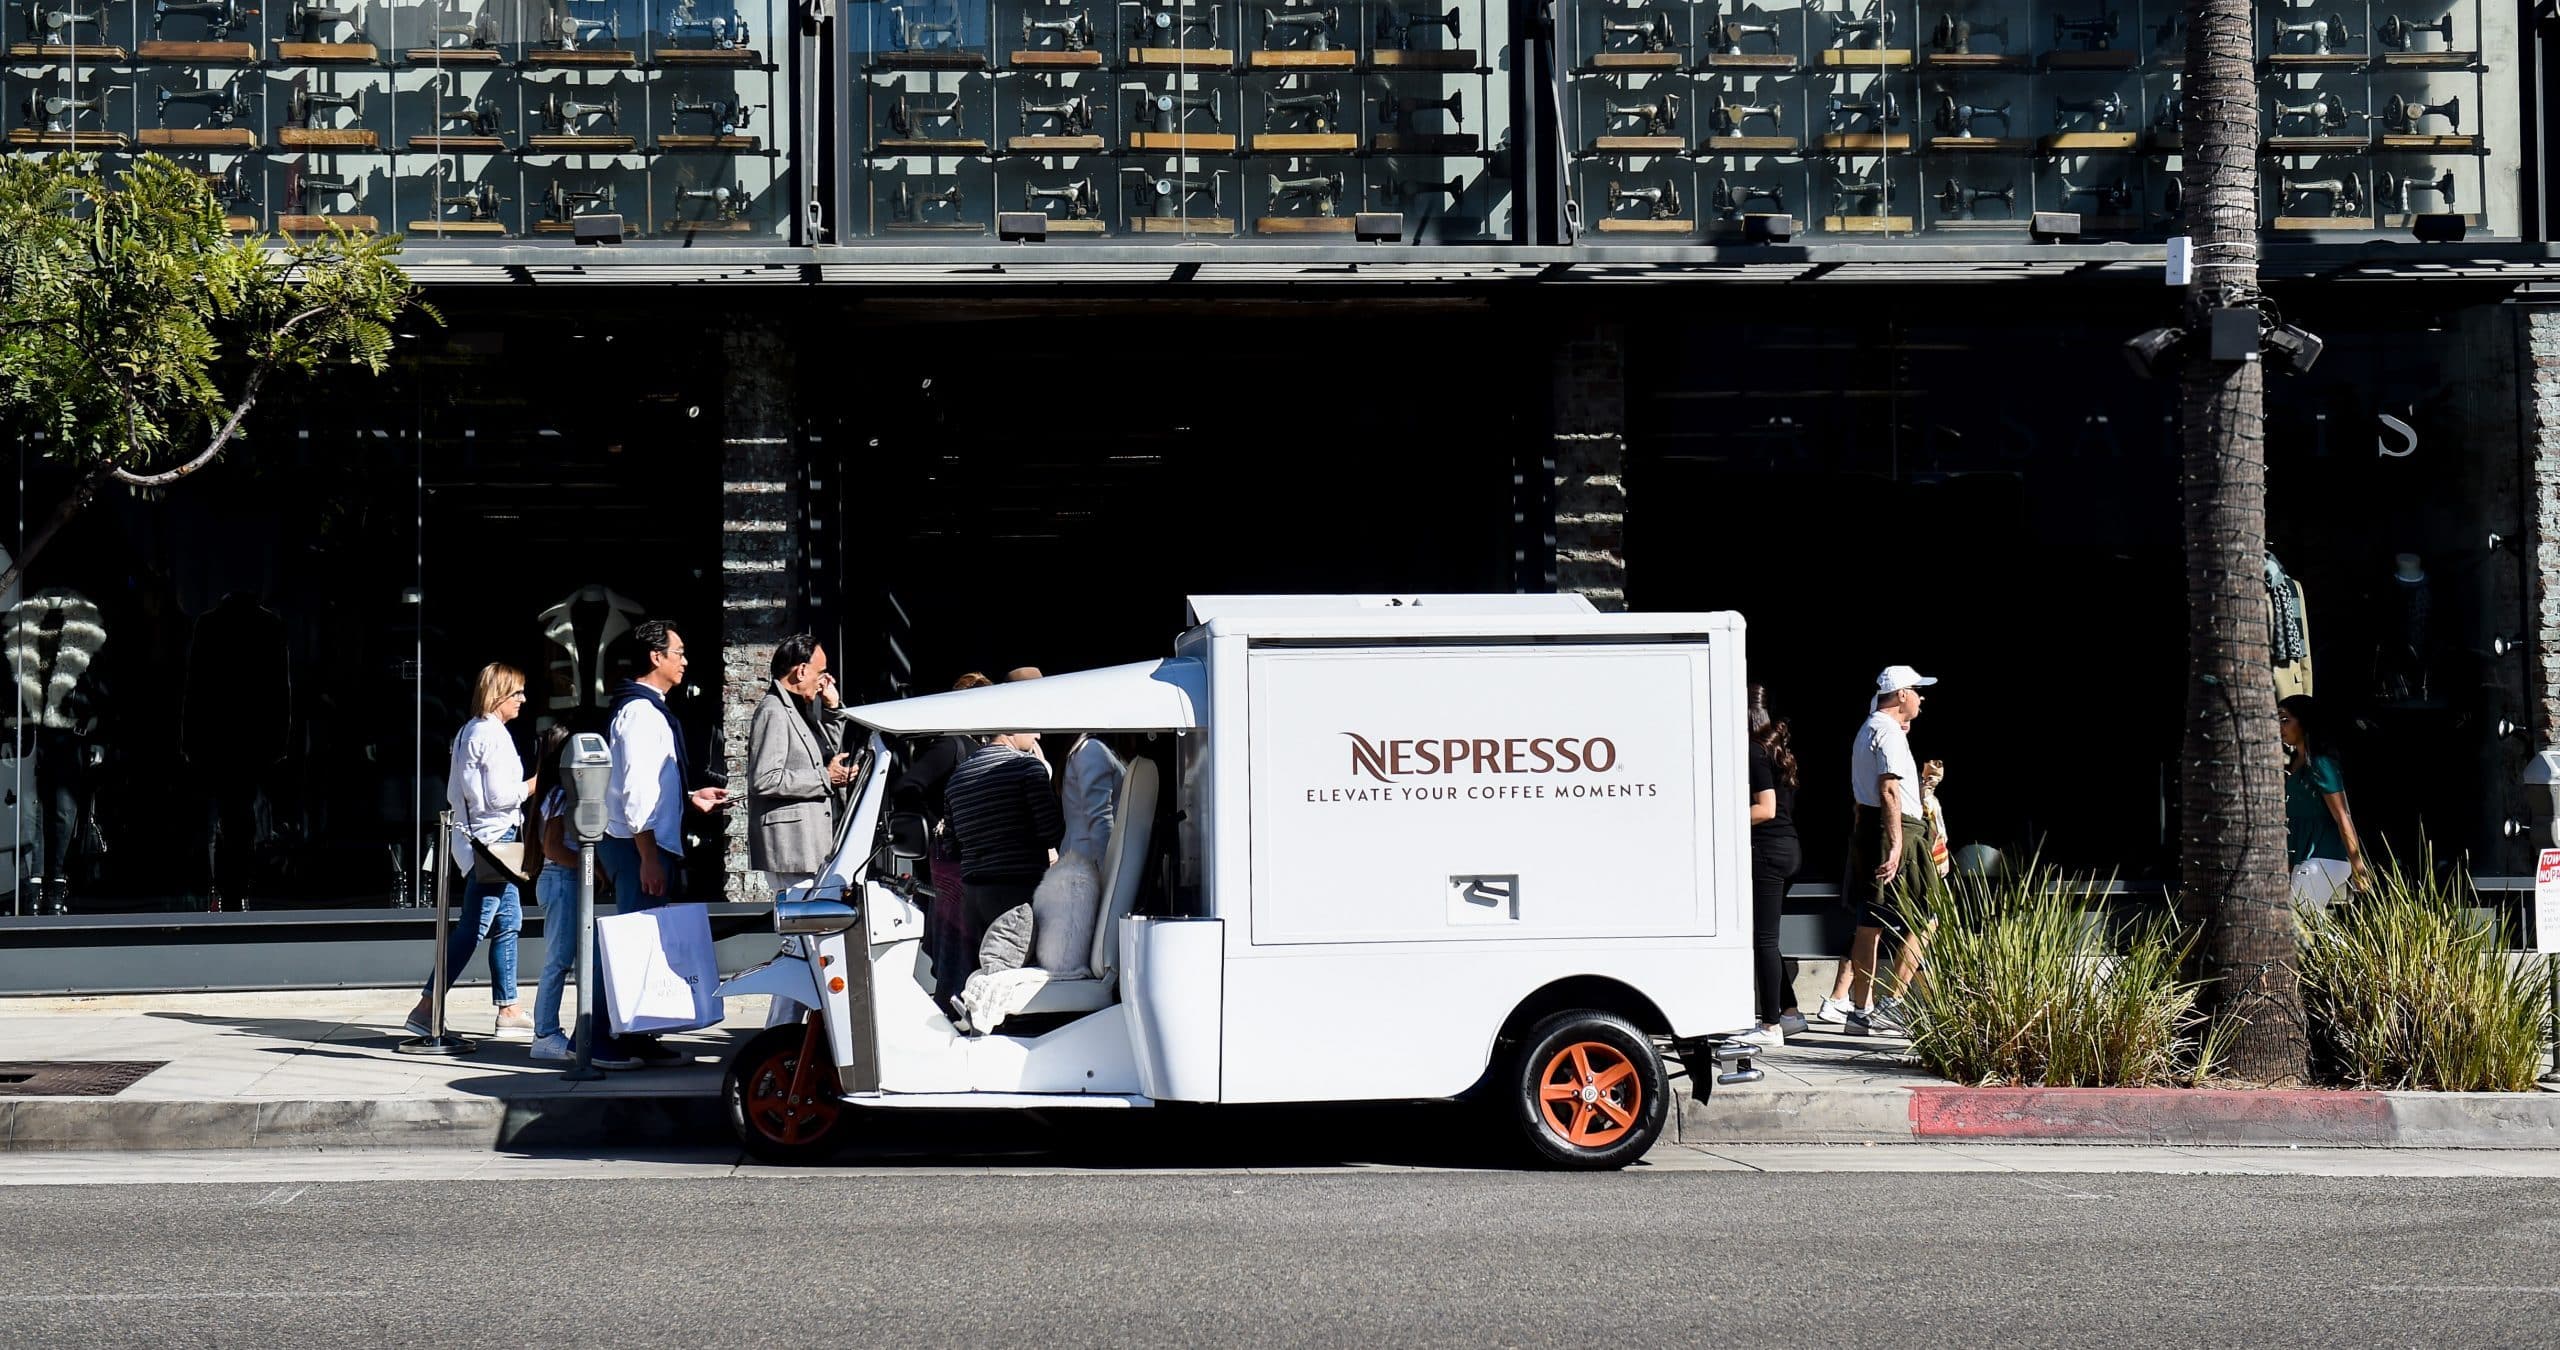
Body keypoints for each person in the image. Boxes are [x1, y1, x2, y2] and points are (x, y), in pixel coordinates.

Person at [586, 620, 730, 1069]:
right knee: (626, 943)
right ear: (656, 657)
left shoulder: (649, 711)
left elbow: (651, 784)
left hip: (644, 842)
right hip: (637, 846)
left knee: (643, 943)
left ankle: (637, 1034)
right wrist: (648, 854)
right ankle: (595, 1040)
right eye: (679, 652)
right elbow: (634, 792)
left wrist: (689, 797)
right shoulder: (641, 714)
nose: (685, 660)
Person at [405, 663, 537, 1039]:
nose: (523, 700)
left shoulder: (469, 732)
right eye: (517, 693)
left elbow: (456, 793)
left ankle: (508, 1008)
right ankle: (428, 1006)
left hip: (481, 840)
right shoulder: (492, 735)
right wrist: (534, 784)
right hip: (494, 841)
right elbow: (498, 797)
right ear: (499, 695)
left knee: (508, 922)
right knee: (473, 928)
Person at [1820, 664, 1937, 1038]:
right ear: (1902, 694)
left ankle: (1860, 1010)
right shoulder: (1884, 732)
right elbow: (1888, 789)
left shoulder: (1871, 727)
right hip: (1895, 830)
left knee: (1869, 924)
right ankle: (1892, 1003)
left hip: (1876, 829)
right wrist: (1898, 842)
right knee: (1927, 917)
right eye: (1917, 691)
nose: (1922, 698)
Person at [937, 730, 1063, 1008]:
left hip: (973, 898)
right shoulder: (1027, 767)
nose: (1039, 735)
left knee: (978, 985)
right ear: (1009, 727)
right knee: (1007, 994)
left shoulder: (958, 777)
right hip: (1018, 898)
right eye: (1032, 726)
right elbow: (1052, 832)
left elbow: (951, 847)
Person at [896, 672, 996, 990]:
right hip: (949, 862)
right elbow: (907, 786)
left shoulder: (973, 743)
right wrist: (935, 822)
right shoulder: (951, 744)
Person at [747, 633, 856, 896]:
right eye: (822, 673)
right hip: (793, 847)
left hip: (815, 844)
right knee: (805, 926)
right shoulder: (773, 710)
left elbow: (825, 754)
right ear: (802, 670)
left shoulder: (800, 709)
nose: (825, 681)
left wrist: (832, 709)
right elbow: (764, 779)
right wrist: (825, 778)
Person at [1740, 688, 1805, 1049]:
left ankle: (1769, 1027)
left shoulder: (1754, 752)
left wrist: (1722, 820)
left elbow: (1764, 809)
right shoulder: (1778, 753)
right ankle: (1790, 1012)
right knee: (1767, 937)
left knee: (1763, 940)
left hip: (1768, 852)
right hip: (1789, 849)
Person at [2280, 694, 2369, 908]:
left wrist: (2359, 869)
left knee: (2297, 924)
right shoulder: (2294, 764)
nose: (2279, 726)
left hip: (2324, 857)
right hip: (2305, 858)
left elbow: (2342, 815)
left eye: (2285, 719)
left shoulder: (2321, 763)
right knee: (2309, 928)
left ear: (2304, 721)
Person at [526, 726, 581, 1061]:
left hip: (559, 879)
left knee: (565, 959)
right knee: (558, 961)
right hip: (562, 878)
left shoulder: (551, 794)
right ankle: (544, 1033)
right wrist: (587, 864)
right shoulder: (560, 795)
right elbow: (554, 847)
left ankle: (551, 1031)